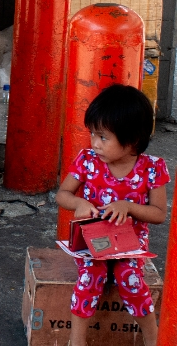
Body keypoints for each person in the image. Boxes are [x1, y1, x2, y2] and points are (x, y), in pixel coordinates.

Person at [56, 85, 169, 346]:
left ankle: (152, 336)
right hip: (90, 243)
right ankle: (77, 340)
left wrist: (127, 206)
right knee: (90, 276)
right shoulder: (87, 161)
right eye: (93, 134)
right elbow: (63, 194)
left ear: (131, 140)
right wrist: (79, 203)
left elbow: (159, 214)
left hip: (130, 245)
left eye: (103, 137)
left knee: (129, 278)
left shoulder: (152, 168)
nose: (94, 143)